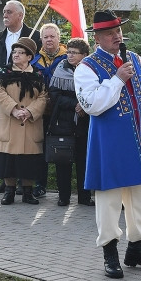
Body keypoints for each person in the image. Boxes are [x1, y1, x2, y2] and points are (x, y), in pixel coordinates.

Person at [75, 10, 141, 279]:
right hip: (109, 140)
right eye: (110, 34)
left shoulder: (135, 59)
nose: (117, 37)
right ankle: (110, 252)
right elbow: (92, 105)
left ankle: (137, 249)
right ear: (97, 38)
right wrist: (117, 79)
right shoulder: (86, 67)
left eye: (118, 31)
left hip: (140, 137)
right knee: (109, 197)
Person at [0, 0, 41, 193]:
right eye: (4, 12)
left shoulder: (35, 36)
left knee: (26, 144)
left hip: (28, 101)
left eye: (9, 12)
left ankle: (26, 185)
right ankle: (7, 183)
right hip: (2, 100)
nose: (4, 15)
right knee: (5, 141)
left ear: (20, 15)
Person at [0, 36, 48, 205]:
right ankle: (9, 191)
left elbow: (43, 96)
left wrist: (30, 111)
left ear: (29, 56)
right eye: (14, 52)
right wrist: (14, 109)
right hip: (10, 121)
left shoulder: (38, 74)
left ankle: (27, 192)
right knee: (8, 160)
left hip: (30, 123)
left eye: (20, 52)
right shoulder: (5, 71)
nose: (16, 55)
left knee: (28, 161)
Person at [47, 38, 92, 207]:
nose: (70, 56)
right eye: (69, 52)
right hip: (64, 121)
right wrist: (75, 105)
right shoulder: (61, 68)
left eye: (74, 53)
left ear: (84, 55)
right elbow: (54, 95)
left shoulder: (91, 70)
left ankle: (84, 197)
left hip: (85, 122)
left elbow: (97, 92)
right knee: (63, 160)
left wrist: (85, 105)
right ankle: (63, 197)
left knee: (83, 161)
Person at [33, 23, 67, 197]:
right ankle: (40, 185)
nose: (49, 40)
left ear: (58, 38)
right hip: (41, 112)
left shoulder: (67, 58)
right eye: (45, 37)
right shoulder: (34, 59)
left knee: (62, 149)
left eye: (52, 36)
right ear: (41, 39)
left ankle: (64, 190)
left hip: (62, 113)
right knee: (39, 149)